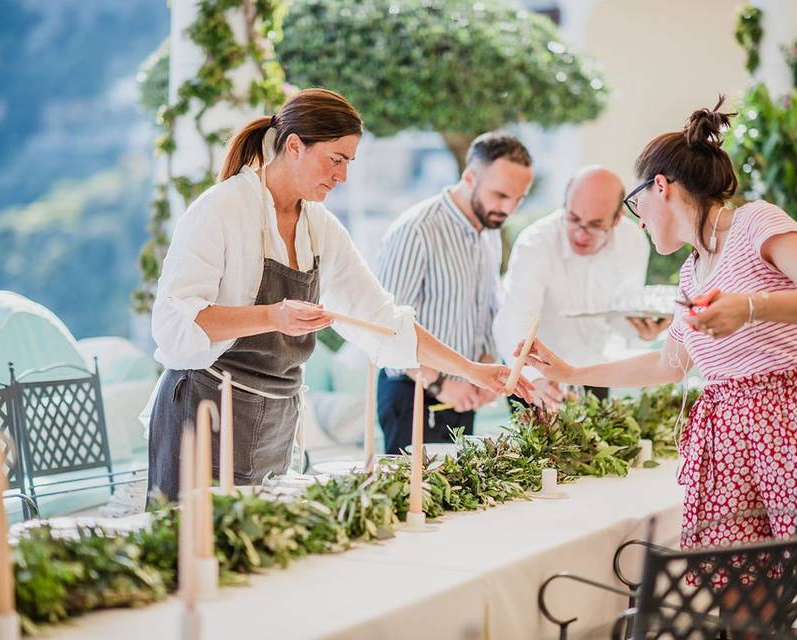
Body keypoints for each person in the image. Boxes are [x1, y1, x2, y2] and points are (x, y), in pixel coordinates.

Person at [517, 99, 797, 637]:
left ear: (659, 187)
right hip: (729, 449)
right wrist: (571, 372)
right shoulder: (691, 272)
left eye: (633, 207)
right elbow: (670, 364)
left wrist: (750, 305)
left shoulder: (757, 222)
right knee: (750, 621)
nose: (635, 223)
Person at [146, 89, 531, 501]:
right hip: (205, 415)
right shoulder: (220, 210)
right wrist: (272, 316)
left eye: (349, 162)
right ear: (294, 145)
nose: (343, 176)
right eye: (336, 159)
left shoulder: (320, 227)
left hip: (276, 420)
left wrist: (472, 369)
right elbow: (176, 323)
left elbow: (384, 321)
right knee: (195, 558)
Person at [375, 132, 534, 454]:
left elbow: (486, 309)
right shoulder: (416, 230)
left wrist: (486, 369)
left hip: (463, 394)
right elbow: (385, 330)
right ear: (469, 177)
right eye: (501, 195)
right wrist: (441, 384)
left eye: (519, 199)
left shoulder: (488, 230)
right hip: (415, 393)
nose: (509, 209)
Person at [493, 165, 667, 409]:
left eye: (595, 225)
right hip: (537, 376)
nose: (581, 234)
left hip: (593, 371)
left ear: (617, 218)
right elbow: (513, 321)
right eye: (573, 219)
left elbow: (622, 316)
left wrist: (643, 332)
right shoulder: (535, 243)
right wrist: (535, 380)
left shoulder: (633, 243)